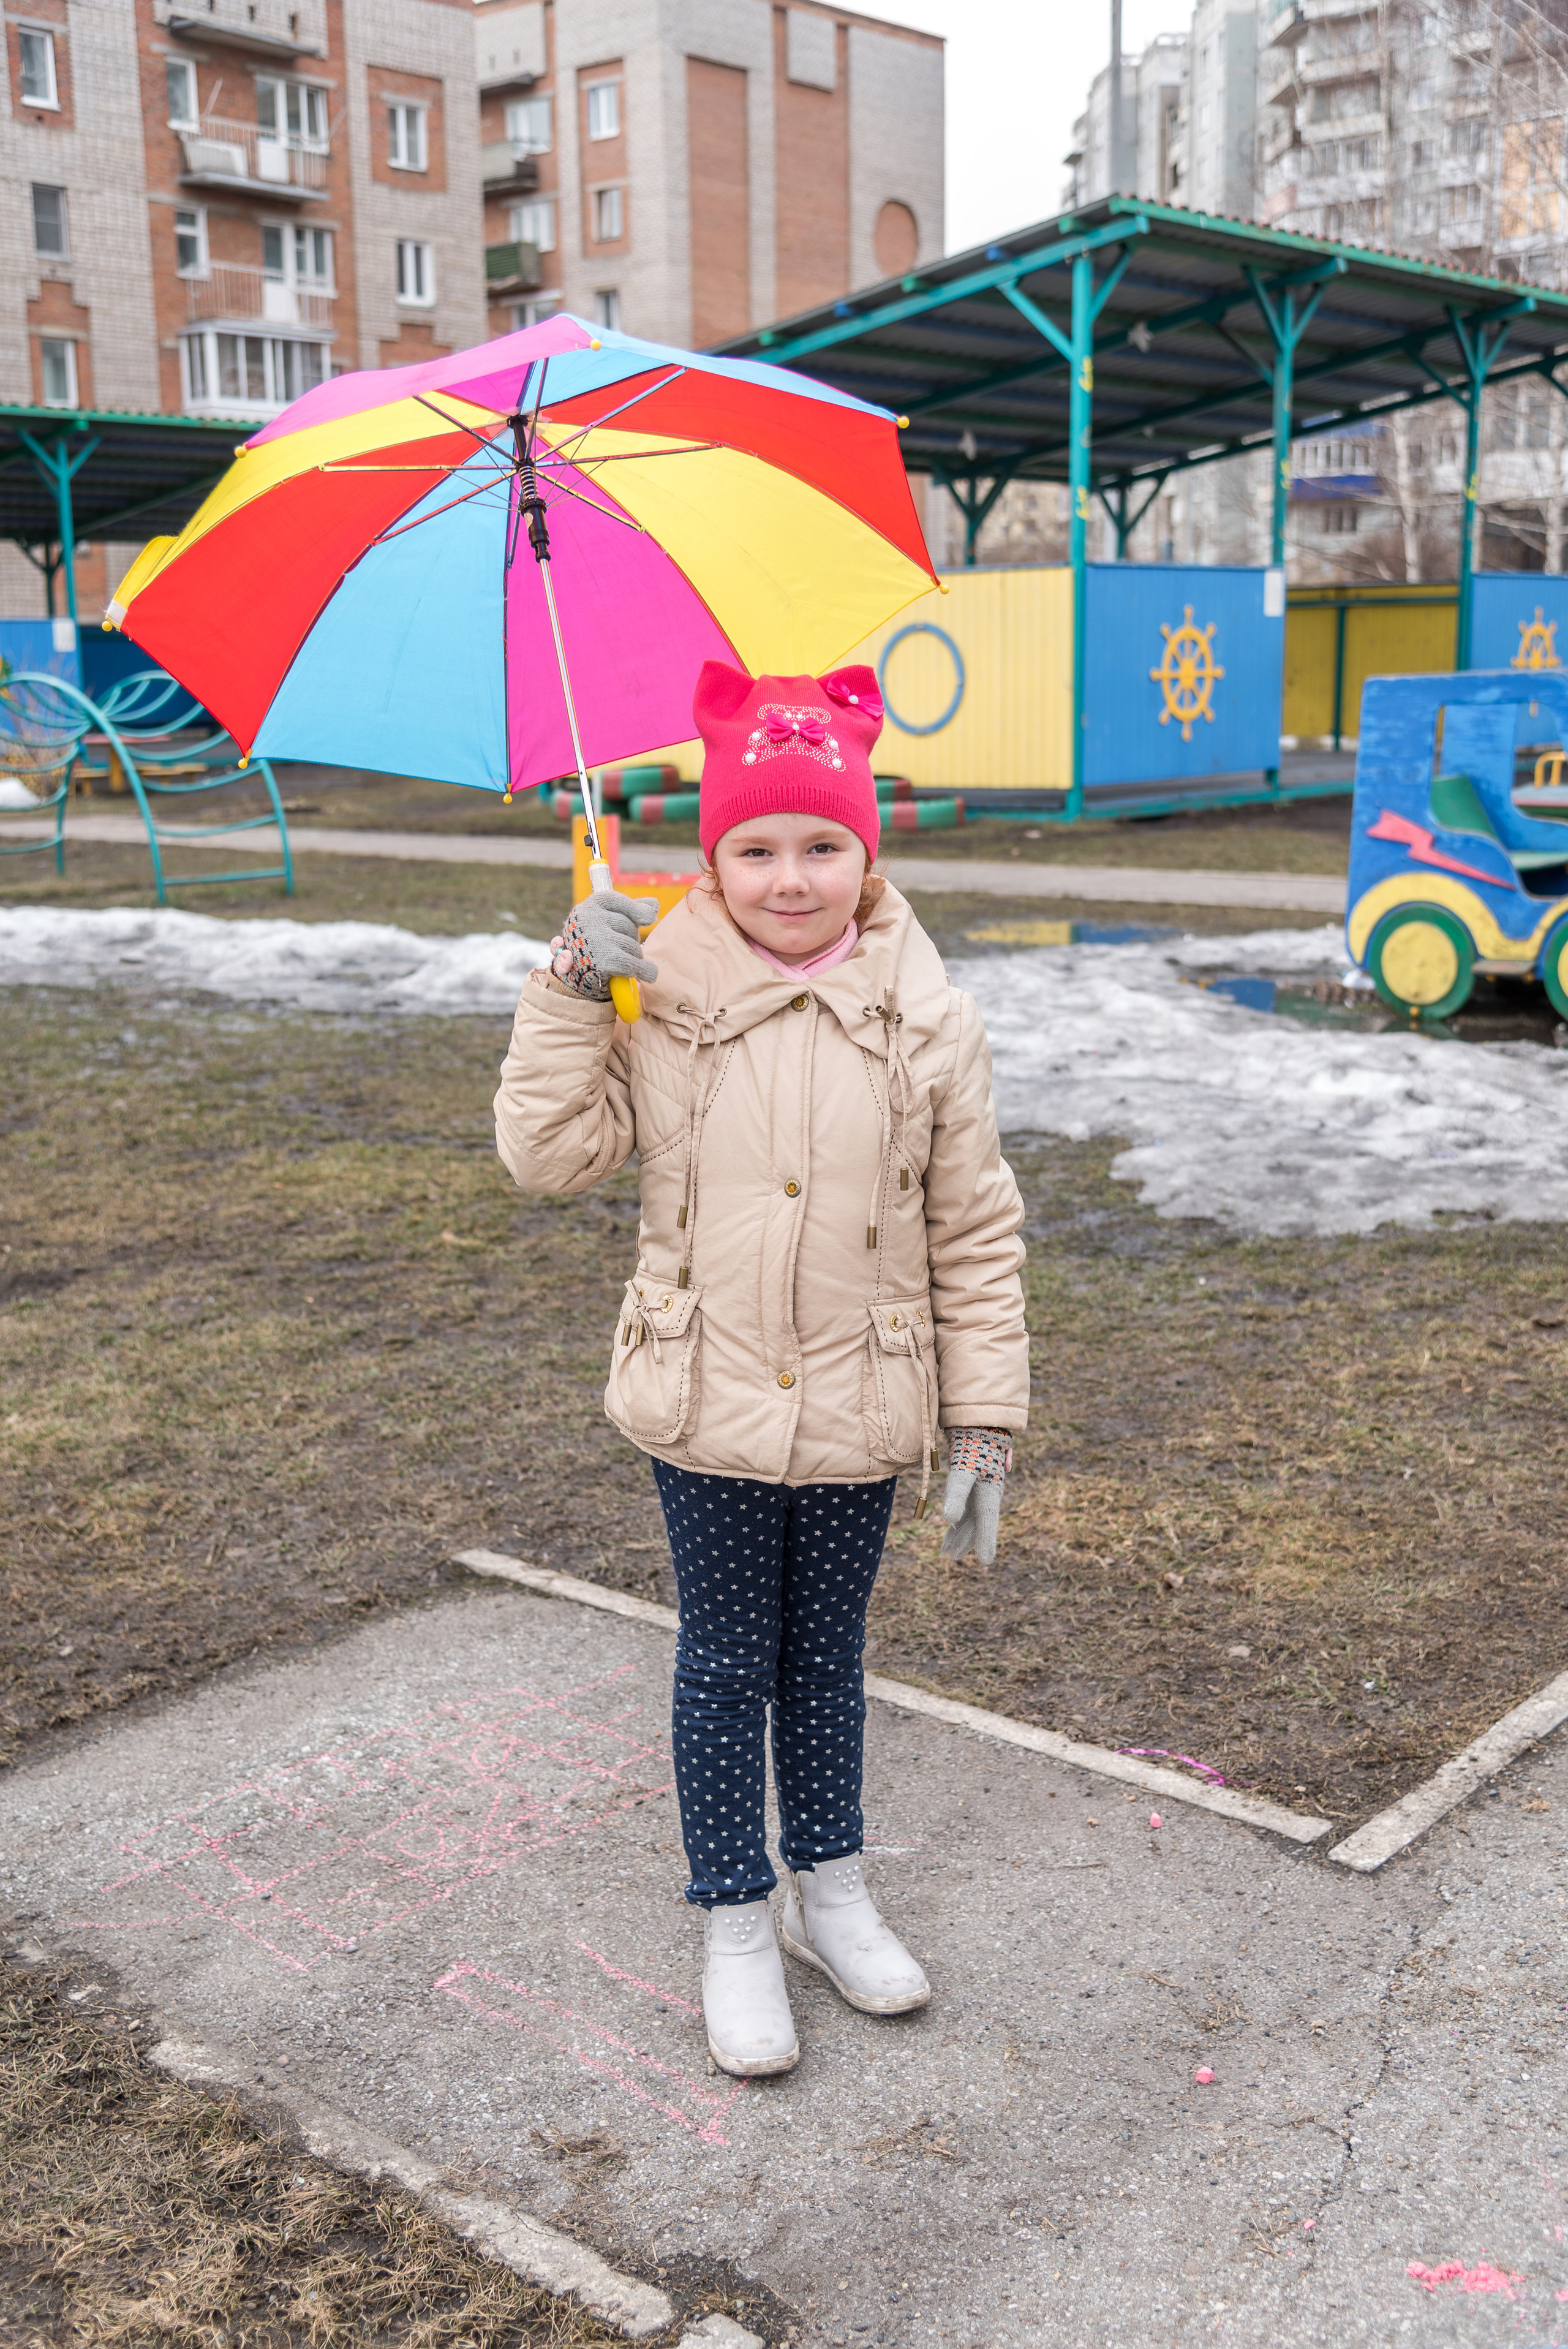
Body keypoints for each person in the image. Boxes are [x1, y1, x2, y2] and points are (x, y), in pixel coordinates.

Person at [494, 660, 1028, 2078]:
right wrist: (565, 992)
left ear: (866, 851)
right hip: (705, 1395)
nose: (789, 879)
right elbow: (546, 1158)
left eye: (820, 846)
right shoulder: (650, 995)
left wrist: (981, 1419)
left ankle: (829, 1894)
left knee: (830, 1661)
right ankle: (736, 1915)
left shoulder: (929, 1021)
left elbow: (972, 1229)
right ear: (713, 856)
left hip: (865, 1395)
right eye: (754, 848)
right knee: (729, 1662)